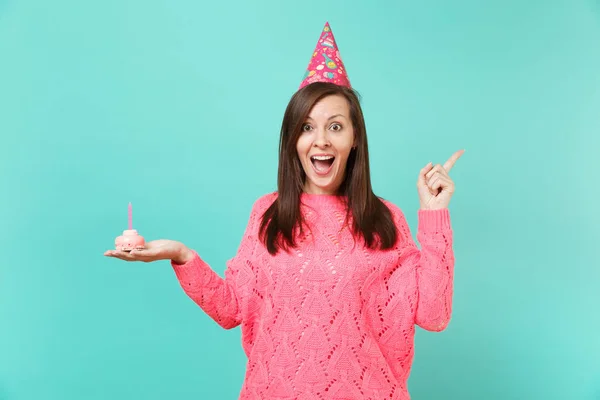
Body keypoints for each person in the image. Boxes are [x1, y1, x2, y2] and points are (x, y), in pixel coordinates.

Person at [105, 22, 463, 400]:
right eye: (307, 127)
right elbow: (231, 309)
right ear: (293, 139)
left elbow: (435, 315)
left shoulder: (385, 220)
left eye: (336, 126)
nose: (321, 140)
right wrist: (180, 255)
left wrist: (434, 214)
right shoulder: (268, 214)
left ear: (354, 138)